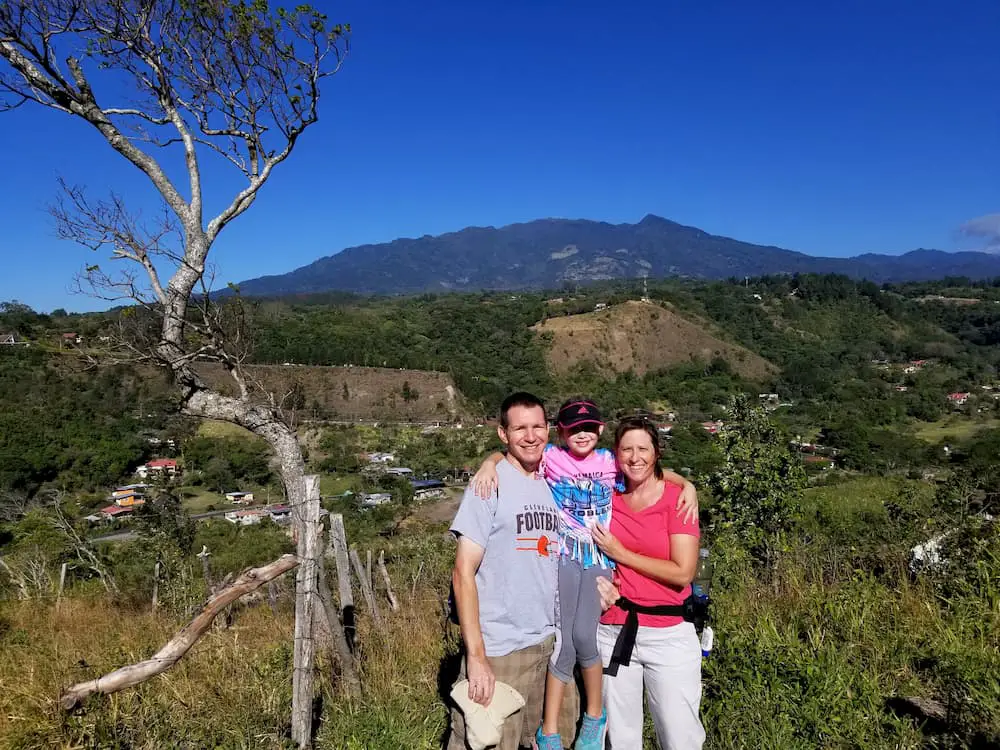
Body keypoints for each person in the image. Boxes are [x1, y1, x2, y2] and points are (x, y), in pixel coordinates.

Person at [471, 399, 698, 750]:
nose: (582, 434)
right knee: (564, 642)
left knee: (584, 639)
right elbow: (518, 455)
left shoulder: (610, 464)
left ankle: (593, 716)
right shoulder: (553, 459)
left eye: (589, 428)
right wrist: (490, 462)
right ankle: (549, 731)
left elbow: (651, 471)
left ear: (601, 430)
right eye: (574, 428)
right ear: (560, 432)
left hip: (606, 571)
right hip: (568, 561)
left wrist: (688, 485)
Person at [448, 392, 579, 750]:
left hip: (551, 644)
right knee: (486, 742)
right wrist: (476, 657)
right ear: (503, 434)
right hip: (501, 649)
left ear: (549, 429)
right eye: (519, 428)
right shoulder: (487, 486)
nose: (531, 435)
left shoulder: (555, 482)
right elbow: (463, 572)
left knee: (556, 741)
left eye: (538, 426)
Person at [592, 417, 705, 750]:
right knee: (620, 737)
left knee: (679, 736)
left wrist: (622, 554)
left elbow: (683, 572)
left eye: (643, 449)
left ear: (657, 453)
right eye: (626, 449)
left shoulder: (677, 500)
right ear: (615, 454)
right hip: (614, 629)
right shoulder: (606, 496)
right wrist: (596, 582)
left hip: (668, 633)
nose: (635, 457)